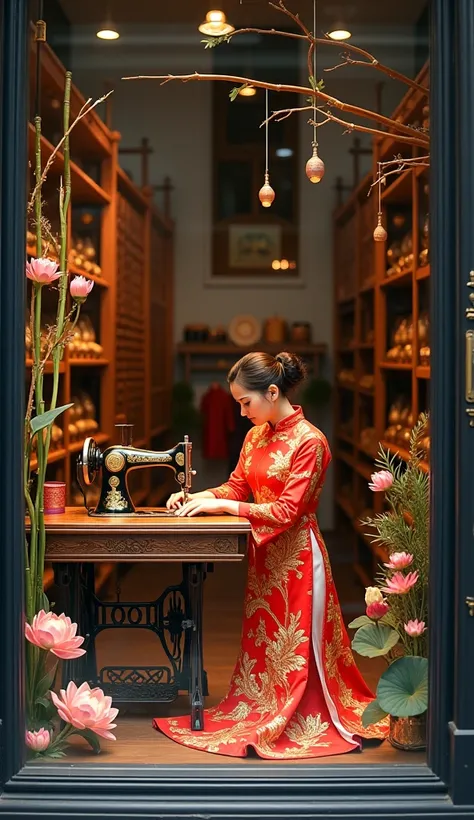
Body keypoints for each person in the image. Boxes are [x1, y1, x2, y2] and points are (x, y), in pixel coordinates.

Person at [153, 351, 388, 759]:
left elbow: (285, 511)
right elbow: (236, 487)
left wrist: (223, 507)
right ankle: (267, 705)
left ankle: (307, 711)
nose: (242, 412)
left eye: (246, 402)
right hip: (266, 558)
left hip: (298, 555)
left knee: (298, 643)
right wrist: (198, 496)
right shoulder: (255, 436)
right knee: (267, 642)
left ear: (273, 391)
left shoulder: (311, 442)